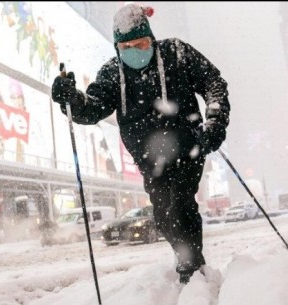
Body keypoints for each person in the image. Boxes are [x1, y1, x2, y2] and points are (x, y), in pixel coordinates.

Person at [51, 3, 230, 284]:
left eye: (142, 43)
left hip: (188, 147)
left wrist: (215, 123)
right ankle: (187, 259)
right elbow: (93, 108)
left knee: (181, 203)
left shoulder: (177, 53)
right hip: (148, 157)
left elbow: (213, 82)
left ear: (152, 38)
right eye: (127, 47)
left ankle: (191, 267)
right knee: (164, 213)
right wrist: (72, 99)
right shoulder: (113, 73)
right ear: (117, 48)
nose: (135, 51)